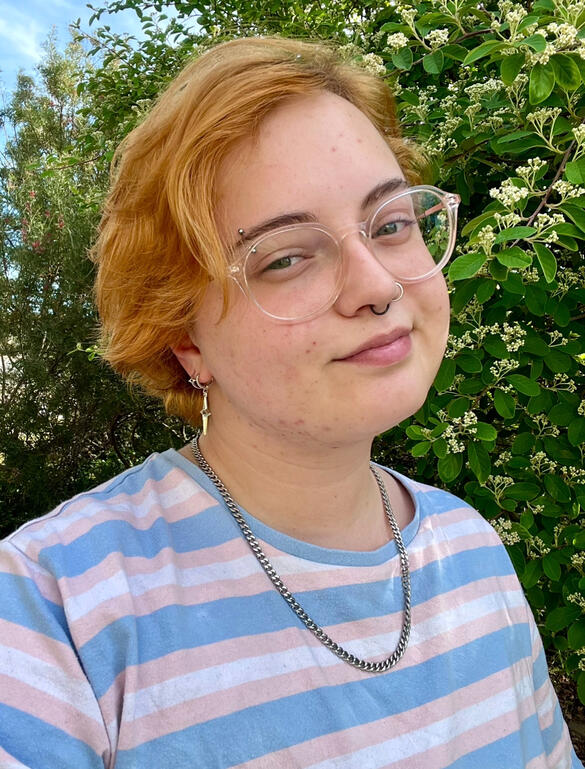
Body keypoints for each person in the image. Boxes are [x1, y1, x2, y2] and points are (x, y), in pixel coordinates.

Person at [0, 36, 581, 769]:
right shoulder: (50, 612)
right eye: (285, 257)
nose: (376, 285)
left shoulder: (471, 548)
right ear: (185, 339)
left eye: (392, 223)